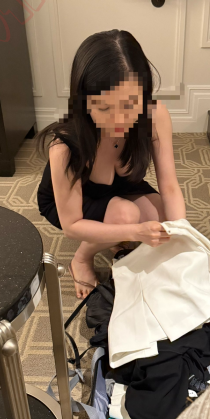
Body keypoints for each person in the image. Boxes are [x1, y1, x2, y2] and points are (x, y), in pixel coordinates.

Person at [36, 29, 187, 298]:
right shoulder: (64, 146)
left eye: (130, 104)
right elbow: (72, 225)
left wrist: (183, 237)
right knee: (126, 216)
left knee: (165, 219)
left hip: (122, 187)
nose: (119, 120)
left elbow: (170, 186)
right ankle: (81, 259)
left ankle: (116, 235)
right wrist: (135, 231)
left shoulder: (155, 116)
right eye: (104, 108)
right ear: (84, 103)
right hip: (74, 201)